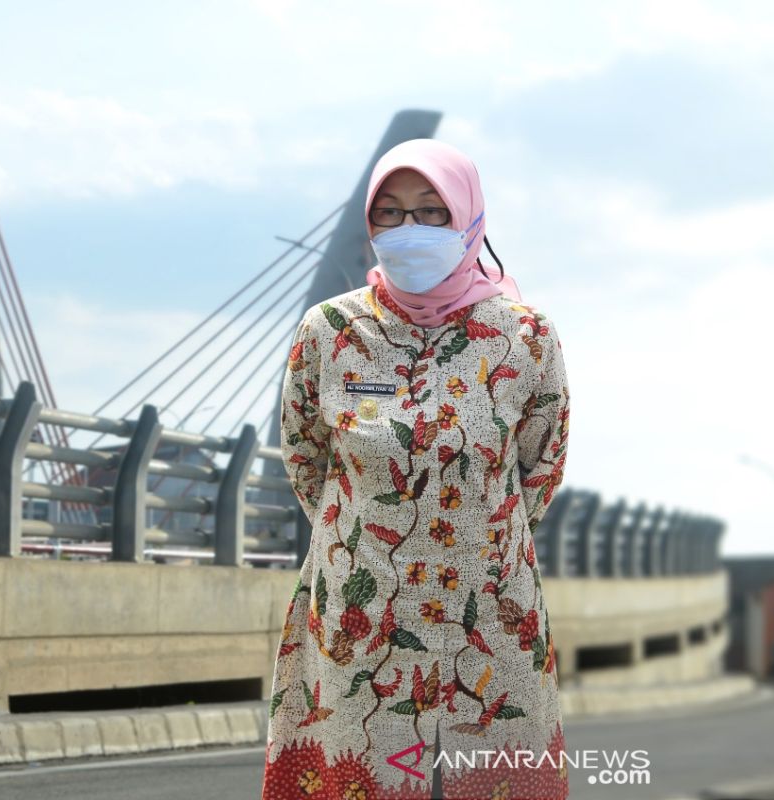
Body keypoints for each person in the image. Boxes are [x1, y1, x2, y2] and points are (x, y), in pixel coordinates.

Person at [261, 138, 570, 799]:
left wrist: (466, 533)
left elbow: (542, 464)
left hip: (488, 608)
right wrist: (371, 534)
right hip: (360, 609)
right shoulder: (330, 331)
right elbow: (305, 454)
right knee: (353, 771)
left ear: (469, 219)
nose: (409, 230)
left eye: (431, 212)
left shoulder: (526, 336)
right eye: (390, 214)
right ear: (369, 225)